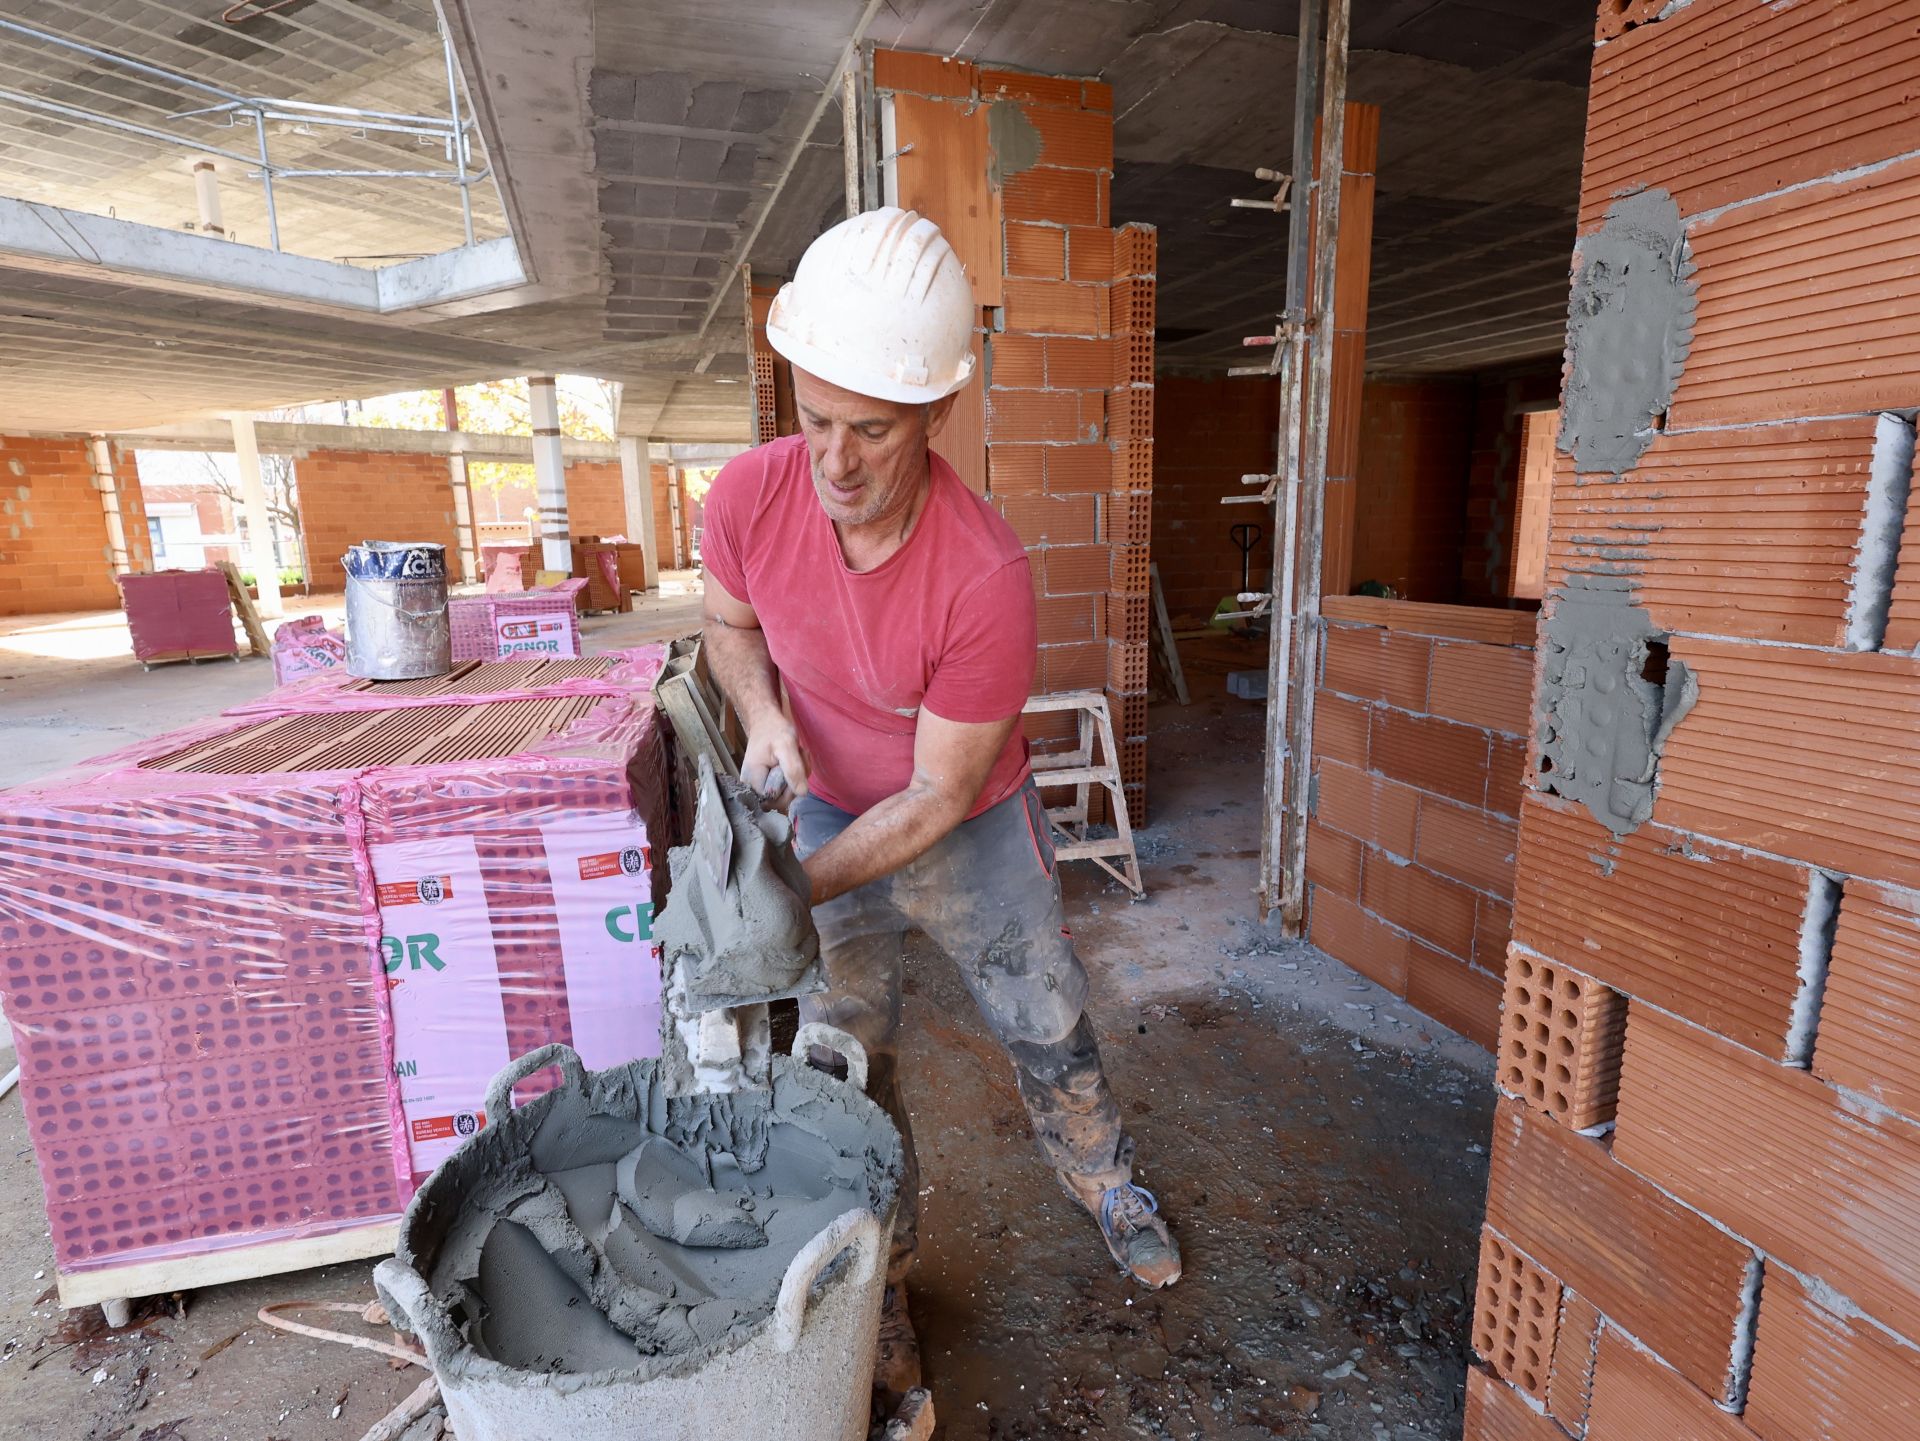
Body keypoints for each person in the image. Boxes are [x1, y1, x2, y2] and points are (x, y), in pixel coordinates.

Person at [698, 206, 1179, 1406]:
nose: (835, 461)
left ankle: (1104, 1177)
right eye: (815, 419)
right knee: (848, 1057)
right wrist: (764, 716)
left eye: (872, 428)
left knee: (1044, 1011)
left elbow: (937, 792)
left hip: (967, 825)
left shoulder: (984, 573)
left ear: (938, 411)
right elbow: (728, 625)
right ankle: (884, 1282)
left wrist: (788, 893)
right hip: (822, 808)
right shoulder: (748, 498)